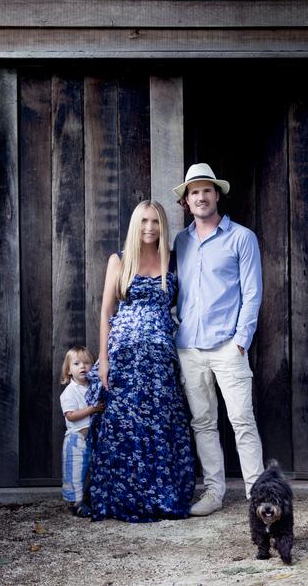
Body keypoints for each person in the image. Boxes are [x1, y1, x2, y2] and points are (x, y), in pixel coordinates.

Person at [86, 199, 196, 522]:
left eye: (156, 222)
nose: (150, 228)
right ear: (136, 224)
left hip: (160, 360)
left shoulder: (173, 262)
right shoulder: (119, 261)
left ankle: (160, 495)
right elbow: (106, 312)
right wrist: (103, 359)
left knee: (160, 425)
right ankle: (121, 496)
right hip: (124, 356)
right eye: (144, 221)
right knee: (124, 425)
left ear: (163, 226)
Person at [173, 162, 264, 516]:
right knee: (203, 422)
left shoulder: (241, 237)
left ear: (217, 195)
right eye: (194, 192)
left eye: (206, 190)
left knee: (242, 419)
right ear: (186, 201)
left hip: (228, 346)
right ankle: (213, 492)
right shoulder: (180, 242)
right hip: (189, 348)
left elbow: (252, 293)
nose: (200, 197)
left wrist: (241, 340)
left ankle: (258, 495)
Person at [59, 345, 104, 517]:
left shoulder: (93, 387)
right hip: (76, 439)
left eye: (87, 363)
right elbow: (71, 415)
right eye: (77, 364)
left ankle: (89, 498)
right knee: (74, 471)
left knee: (94, 470)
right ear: (69, 370)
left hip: (92, 438)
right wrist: (92, 409)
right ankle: (74, 502)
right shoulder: (69, 392)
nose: (82, 367)